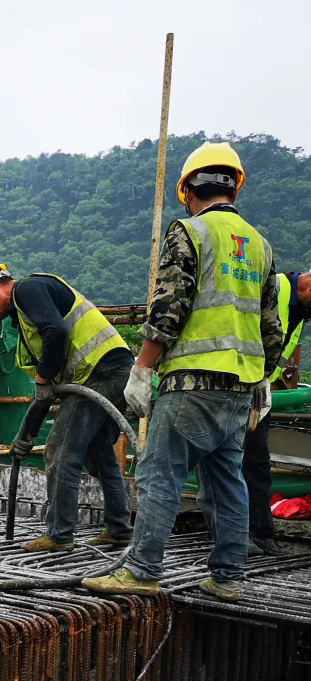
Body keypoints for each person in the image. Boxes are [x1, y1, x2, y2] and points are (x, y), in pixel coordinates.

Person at [83, 141, 284, 603]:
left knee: (159, 475)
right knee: (228, 481)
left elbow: (169, 309)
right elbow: (271, 327)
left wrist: (141, 369)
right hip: (240, 390)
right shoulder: (261, 245)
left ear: (189, 190)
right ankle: (229, 575)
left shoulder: (189, 232)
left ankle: (141, 569)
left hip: (191, 385)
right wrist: (263, 376)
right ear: (234, 186)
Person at [0, 261, 134, 550]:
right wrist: (25, 434)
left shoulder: (28, 290)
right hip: (113, 369)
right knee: (98, 452)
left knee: (61, 449)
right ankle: (119, 528)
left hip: (98, 371)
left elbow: (57, 333)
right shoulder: (26, 314)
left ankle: (59, 535)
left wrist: (42, 378)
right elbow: (46, 390)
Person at [244, 269, 310, 557]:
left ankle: (261, 535)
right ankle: (234, 535)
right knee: (224, 460)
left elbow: (282, 352)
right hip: (235, 385)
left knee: (257, 461)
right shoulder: (274, 287)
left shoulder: (302, 311)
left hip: (259, 390)